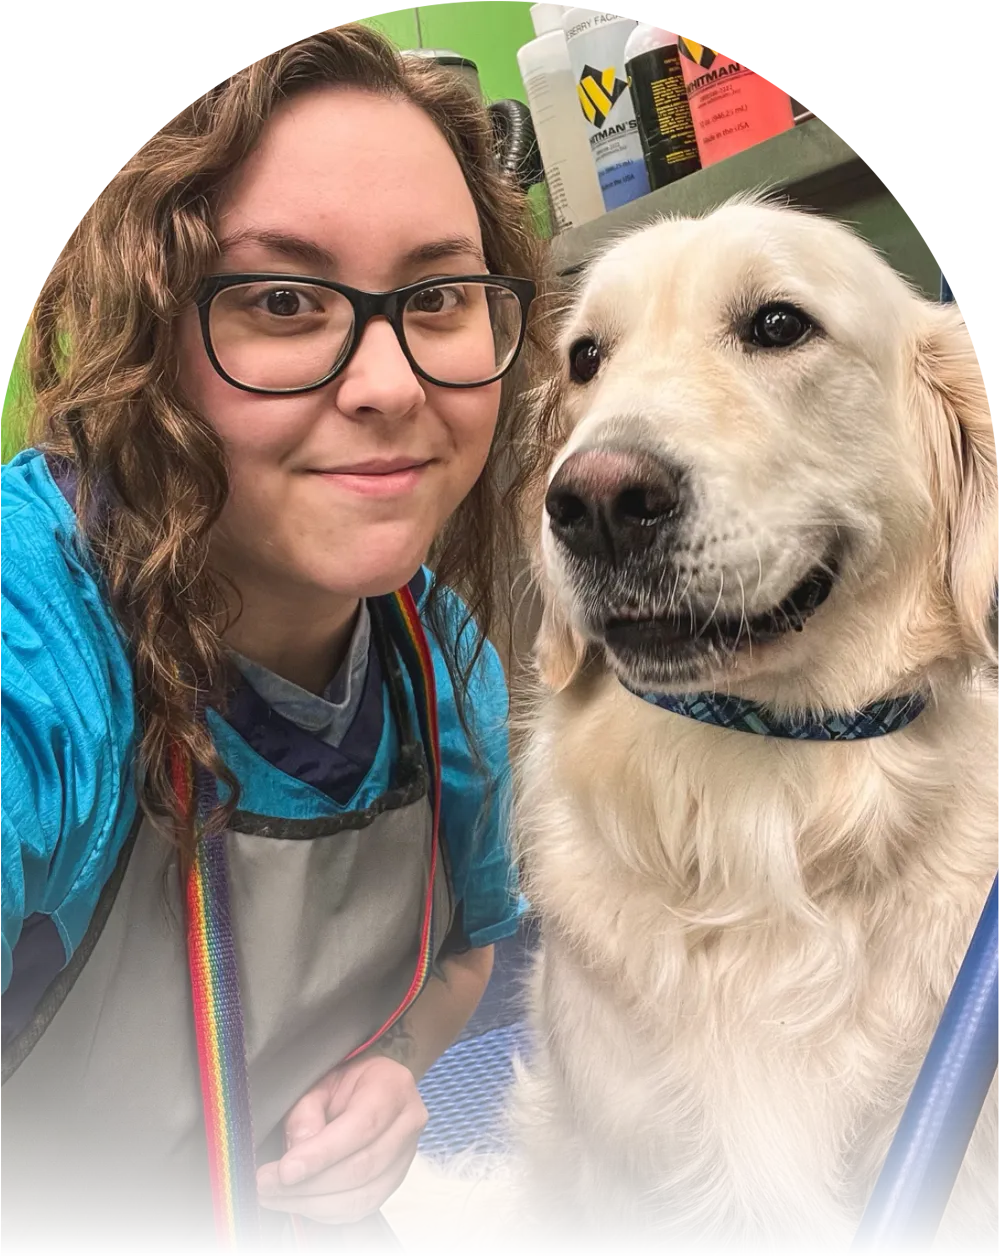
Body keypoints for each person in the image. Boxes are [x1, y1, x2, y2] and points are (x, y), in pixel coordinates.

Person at [0, 24, 547, 1256]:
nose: (391, 384)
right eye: (286, 301)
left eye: (439, 296)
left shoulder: (434, 655)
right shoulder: (35, 650)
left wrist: (385, 1072)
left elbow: (463, 956)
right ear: (143, 333)